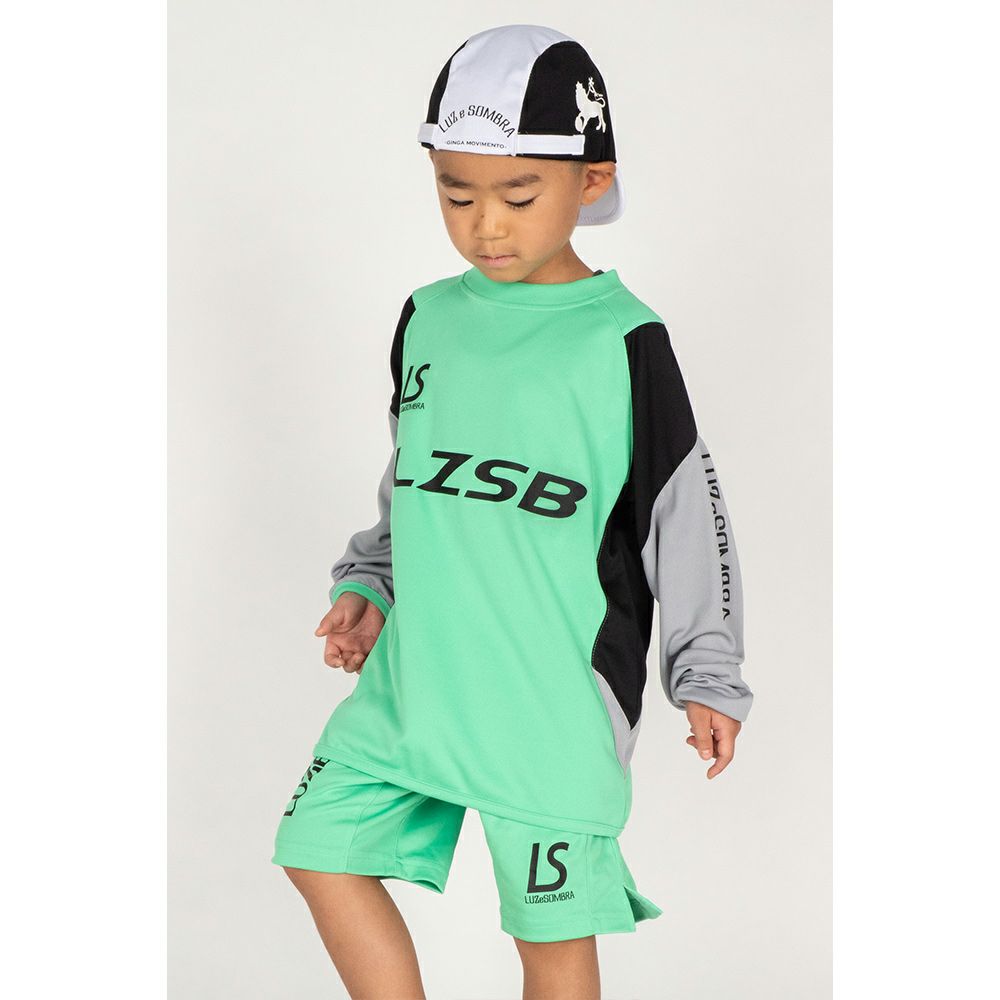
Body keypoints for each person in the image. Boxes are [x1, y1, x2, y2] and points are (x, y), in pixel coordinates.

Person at [271, 23, 754, 1000]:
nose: (484, 225)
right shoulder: (428, 318)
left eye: (517, 196)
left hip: (549, 706)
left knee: (552, 942)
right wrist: (373, 580)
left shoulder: (624, 341)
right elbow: (419, 475)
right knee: (317, 849)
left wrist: (705, 670)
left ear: (590, 179)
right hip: (417, 683)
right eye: (457, 194)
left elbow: (685, 517)